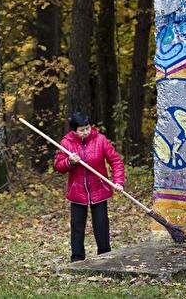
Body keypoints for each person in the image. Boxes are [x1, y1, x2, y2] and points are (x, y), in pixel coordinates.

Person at [54, 112, 125, 262]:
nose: (86, 132)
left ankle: (105, 257)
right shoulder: (66, 142)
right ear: (74, 130)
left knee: (101, 226)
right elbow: (59, 167)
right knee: (77, 228)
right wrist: (69, 161)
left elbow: (116, 161)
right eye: (82, 130)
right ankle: (77, 260)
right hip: (77, 192)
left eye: (87, 128)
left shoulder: (100, 140)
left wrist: (118, 181)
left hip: (99, 190)